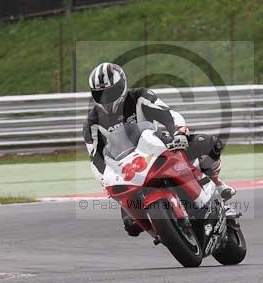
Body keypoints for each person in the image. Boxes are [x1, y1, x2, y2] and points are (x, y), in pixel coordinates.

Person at [83, 62, 236, 236]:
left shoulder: (140, 96)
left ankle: (217, 185)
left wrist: (179, 133)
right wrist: (106, 179)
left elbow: (167, 114)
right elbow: (96, 158)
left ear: (122, 86)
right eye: (100, 94)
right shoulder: (92, 123)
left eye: (111, 92)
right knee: (131, 225)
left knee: (211, 144)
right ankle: (164, 233)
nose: (107, 98)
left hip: (160, 147)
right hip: (130, 170)